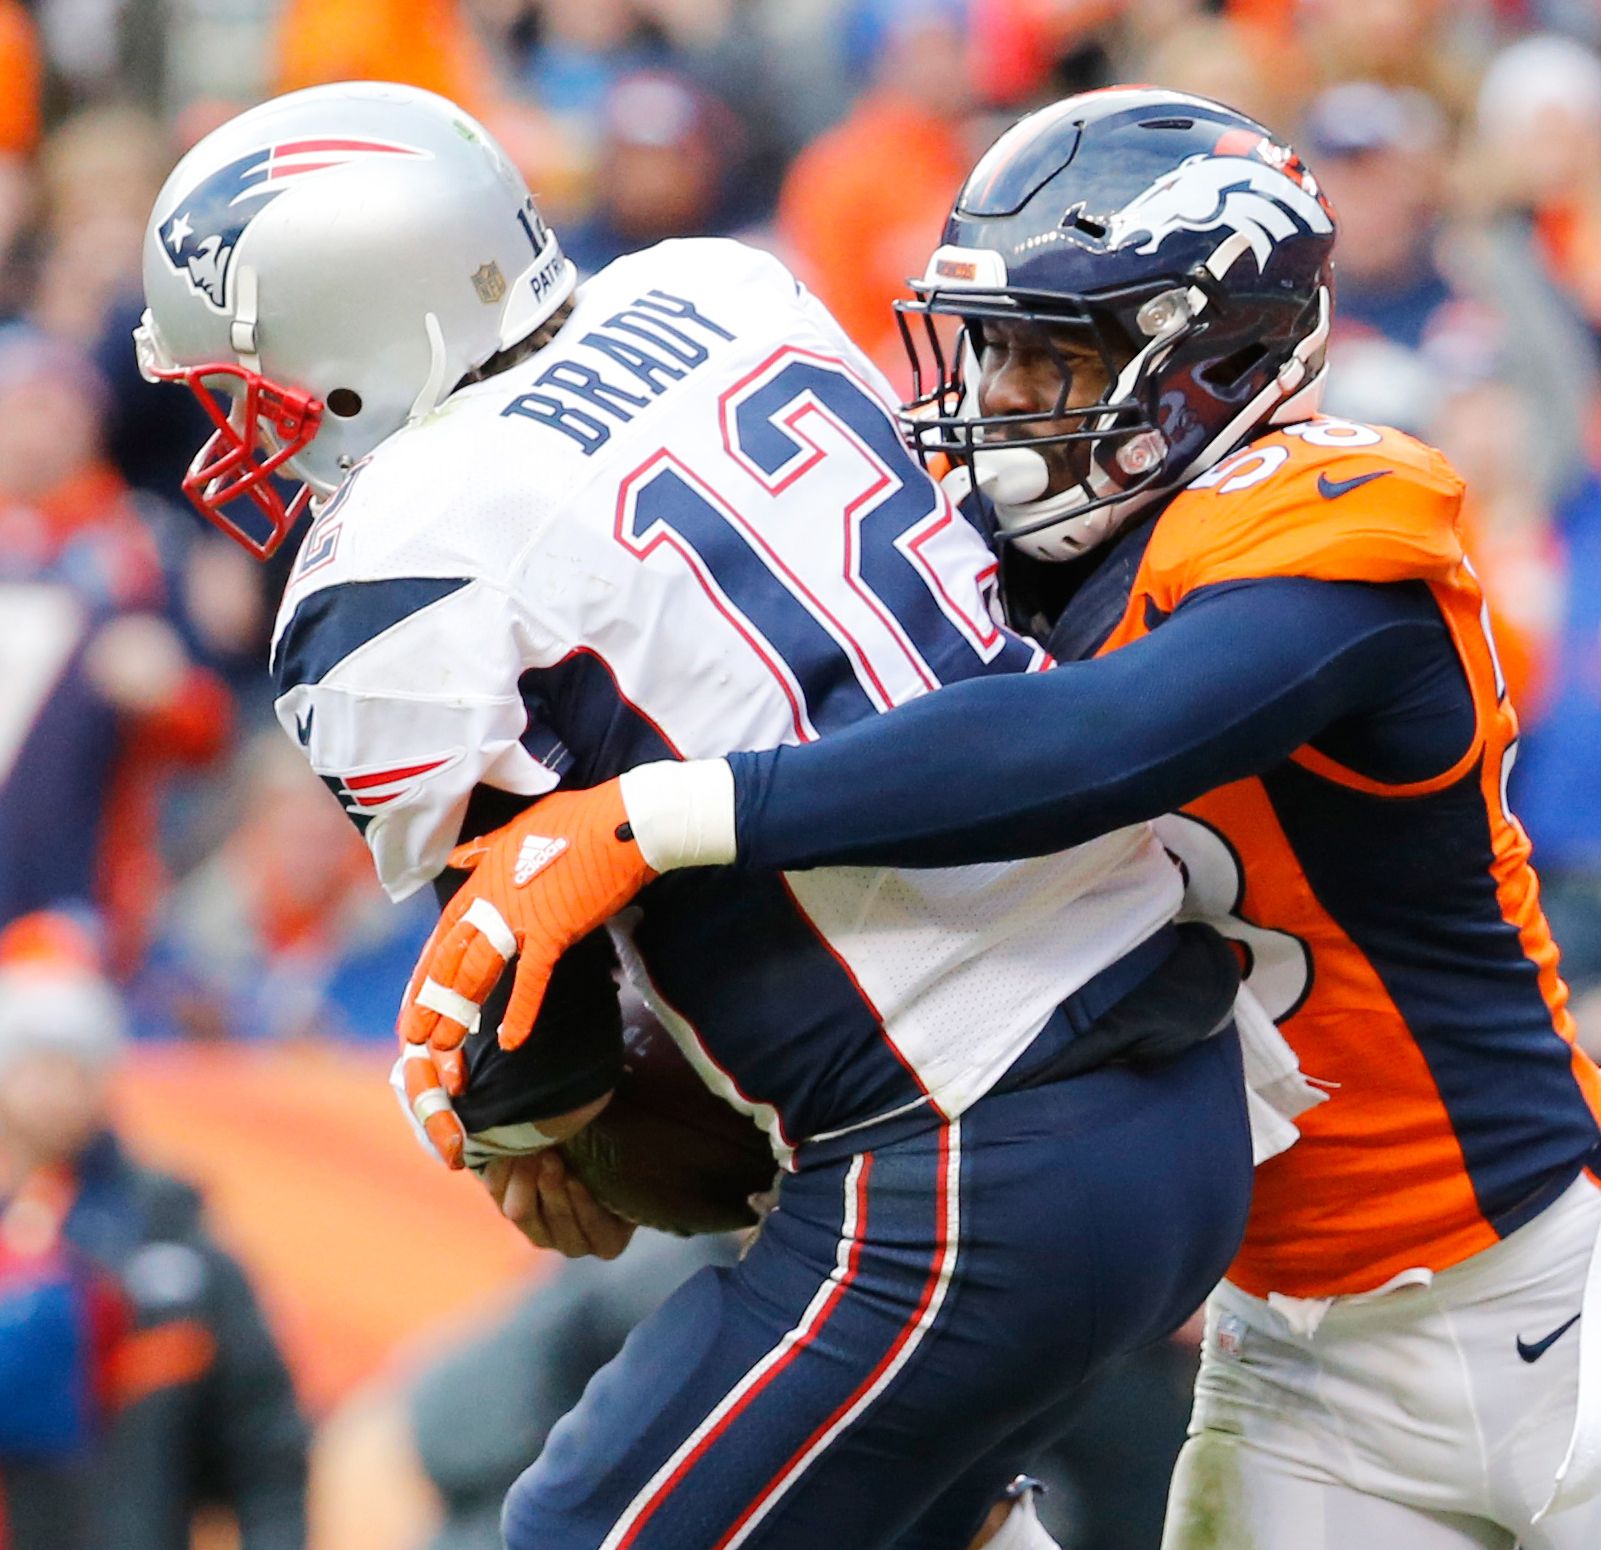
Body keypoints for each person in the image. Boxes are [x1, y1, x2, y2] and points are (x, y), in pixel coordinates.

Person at [134, 81, 1280, 1550]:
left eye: (252, 383)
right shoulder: (716, 286)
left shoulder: (391, 566)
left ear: (359, 324)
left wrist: (521, 1123)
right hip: (1168, 1075)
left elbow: (525, 995)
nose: (250, 430)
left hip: (958, 1149)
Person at [484, 89, 1601, 1550]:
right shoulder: (977, 567)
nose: (1001, 395)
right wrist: (574, 1092)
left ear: (1226, 356)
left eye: (1053, 351)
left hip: (1544, 1299)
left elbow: (1085, 743)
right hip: (1289, 1362)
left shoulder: (1329, 529)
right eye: (995, 345)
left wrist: (664, 813)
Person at [0, 910, 308, 1549]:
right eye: (38, 1061)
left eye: (80, 1063)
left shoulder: (168, 1238)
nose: (60, 1088)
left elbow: (263, 1437)